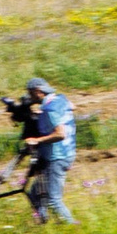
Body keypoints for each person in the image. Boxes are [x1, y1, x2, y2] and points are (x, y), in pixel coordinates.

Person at [19, 76, 76, 223]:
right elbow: (72, 106)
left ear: (38, 91)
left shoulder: (50, 109)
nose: (29, 97)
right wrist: (42, 113)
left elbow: (60, 134)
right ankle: (44, 222)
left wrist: (36, 140)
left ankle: (72, 227)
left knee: (53, 199)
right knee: (34, 193)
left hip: (57, 157)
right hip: (67, 152)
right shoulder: (60, 99)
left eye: (30, 94)